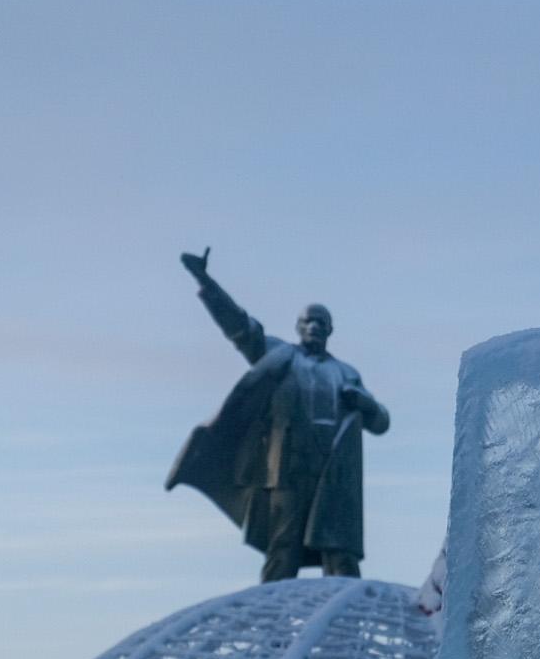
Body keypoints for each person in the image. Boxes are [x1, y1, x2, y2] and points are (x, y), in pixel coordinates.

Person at [165, 247, 390, 581]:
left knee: (339, 557)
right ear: (298, 327)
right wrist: (205, 281)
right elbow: (239, 326)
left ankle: (346, 626)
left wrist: (365, 402)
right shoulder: (278, 356)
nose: (314, 326)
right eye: (308, 321)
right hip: (286, 473)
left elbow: (381, 423)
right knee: (282, 552)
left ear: (330, 330)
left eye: (321, 322)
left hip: (331, 477)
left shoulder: (346, 373)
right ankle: (272, 629)